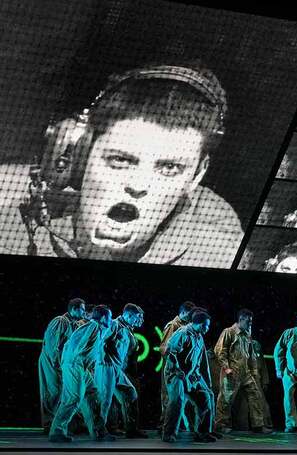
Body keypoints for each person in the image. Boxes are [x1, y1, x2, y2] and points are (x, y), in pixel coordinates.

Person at [0, 63, 243, 267]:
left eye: (169, 168)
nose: (137, 185)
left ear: (196, 175)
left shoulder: (223, 256)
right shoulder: (11, 229)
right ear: (80, 157)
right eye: (120, 160)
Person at [48, 305, 114, 442]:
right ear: (102, 317)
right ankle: (57, 431)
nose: (111, 319)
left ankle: (98, 430)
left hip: (81, 366)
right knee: (73, 398)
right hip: (75, 364)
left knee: (93, 394)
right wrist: (73, 365)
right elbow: (74, 345)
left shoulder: (97, 329)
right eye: (110, 316)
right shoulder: (93, 326)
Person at [162, 310, 217, 443]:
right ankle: (169, 433)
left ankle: (203, 432)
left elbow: (198, 359)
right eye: (206, 325)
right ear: (198, 323)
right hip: (176, 374)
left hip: (191, 375)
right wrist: (177, 370)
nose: (207, 329)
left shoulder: (198, 336)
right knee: (177, 402)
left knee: (205, 396)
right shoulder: (182, 333)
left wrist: (198, 376)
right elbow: (170, 352)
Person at [214, 309, 271, 434]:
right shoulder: (229, 332)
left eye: (251, 322)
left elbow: (250, 355)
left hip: (246, 373)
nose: (250, 324)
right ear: (241, 319)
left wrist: (254, 371)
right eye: (248, 321)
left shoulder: (247, 335)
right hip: (232, 372)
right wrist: (227, 368)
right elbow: (220, 351)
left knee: (255, 395)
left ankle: (258, 425)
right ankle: (220, 424)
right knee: (225, 399)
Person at [97, 303, 147, 439]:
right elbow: (100, 341)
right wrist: (103, 359)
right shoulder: (114, 325)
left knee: (130, 393)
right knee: (105, 400)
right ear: (128, 315)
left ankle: (131, 429)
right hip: (107, 367)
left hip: (117, 370)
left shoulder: (128, 329)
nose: (139, 320)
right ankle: (100, 431)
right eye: (137, 317)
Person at [39, 298, 86, 433]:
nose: (84, 312)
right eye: (82, 309)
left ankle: (62, 423)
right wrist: (57, 364)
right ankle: (49, 424)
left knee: (63, 391)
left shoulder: (75, 324)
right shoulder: (60, 321)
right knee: (52, 391)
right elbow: (52, 345)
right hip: (51, 361)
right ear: (74, 309)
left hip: (63, 362)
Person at [159, 301, 195, 432]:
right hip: (172, 368)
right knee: (169, 397)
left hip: (182, 369)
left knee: (181, 398)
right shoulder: (173, 326)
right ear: (184, 312)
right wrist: (173, 367)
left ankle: (176, 425)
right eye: (190, 314)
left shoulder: (187, 326)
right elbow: (164, 348)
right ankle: (165, 425)